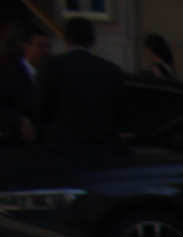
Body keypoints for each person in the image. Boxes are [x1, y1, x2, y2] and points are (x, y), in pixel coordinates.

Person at [34, 16, 124, 145]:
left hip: (62, 145)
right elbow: (122, 112)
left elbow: (40, 106)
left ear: (66, 39)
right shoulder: (111, 70)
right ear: (93, 40)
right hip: (102, 145)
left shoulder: (51, 66)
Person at [1, 27, 51, 144]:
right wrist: (19, 120)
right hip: (19, 142)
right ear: (25, 46)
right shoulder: (8, 74)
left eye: (48, 46)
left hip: (49, 140)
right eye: (41, 46)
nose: (46, 51)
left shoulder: (52, 73)